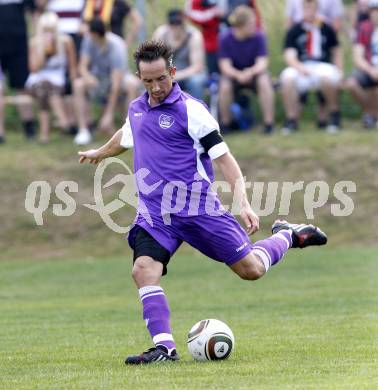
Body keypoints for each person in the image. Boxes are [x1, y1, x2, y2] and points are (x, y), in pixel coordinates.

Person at [78, 40, 328, 365]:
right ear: (139, 77)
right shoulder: (137, 108)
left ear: (173, 72)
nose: (155, 87)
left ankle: (288, 235)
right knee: (143, 271)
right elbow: (126, 136)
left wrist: (245, 204)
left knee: (251, 270)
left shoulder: (192, 110)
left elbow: (225, 160)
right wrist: (99, 152)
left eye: (161, 79)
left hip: (199, 210)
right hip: (157, 215)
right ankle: (164, 349)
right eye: (148, 80)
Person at [73, 18, 140, 145]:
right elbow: (82, 66)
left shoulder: (117, 46)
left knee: (132, 84)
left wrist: (108, 115)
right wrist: (87, 76)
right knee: (78, 85)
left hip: (119, 78)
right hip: (98, 77)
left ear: (95, 34)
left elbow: (115, 84)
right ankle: (83, 130)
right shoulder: (88, 40)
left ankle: (129, 130)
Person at [280, 0, 343, 134]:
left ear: (317, 9)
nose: (309, 12)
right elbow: (289, 55)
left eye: (312, 8)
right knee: (287, 77)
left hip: (322, 64)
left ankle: (334, 114)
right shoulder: (295, 29)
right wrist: (299, 67)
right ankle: (291, 119)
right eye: (306, 8)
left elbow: (336, 49)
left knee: (326, 77)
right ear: (302, 9)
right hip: (301, 65)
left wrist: (339, 69)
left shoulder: (326, 27)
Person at [218, 5, 275, 134]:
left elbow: (262, 63)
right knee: (224, 85)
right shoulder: (225, 38)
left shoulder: (259, 36)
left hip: (254, 74)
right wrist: (238, 75)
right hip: (234, 75)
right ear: (241, 26)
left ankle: (269, 124)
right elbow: (225, 66)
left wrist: (250, 72)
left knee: (264, 81)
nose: (255, 26)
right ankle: (226, 125)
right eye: (251, 24)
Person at [26, 12, 77, 143]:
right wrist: (45, 54)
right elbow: (33, 69)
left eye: (51, 30)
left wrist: (72, 84)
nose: (48, 33)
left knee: (45, 90)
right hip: (37, 80)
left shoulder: (66, 42)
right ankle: (63, 121)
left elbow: (72, 67)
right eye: (45, 30)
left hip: (57, 81)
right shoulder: (34, 43)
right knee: (44, 86)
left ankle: (45, 134)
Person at [0, 0, 36, 139]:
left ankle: (29, 127)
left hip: (19, 45)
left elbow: (33, 13)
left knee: (22, 86)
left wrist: (36, 39)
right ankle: (1, 132)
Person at [153, 9, 207, 100]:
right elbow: (154, 61)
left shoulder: (194, 36)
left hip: (189, 75)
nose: (175, 26)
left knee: (196, 81)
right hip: (167, 74)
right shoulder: (160, 34)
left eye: (178, 22)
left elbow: (197, 67)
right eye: (172, 23)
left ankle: (197, 110)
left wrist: (175, 76)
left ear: (184, 23)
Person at [346, 0, 378, 128]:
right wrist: (371, 70)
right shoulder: (364, 28)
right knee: (351, 83)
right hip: (368, 68)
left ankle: (371, 116)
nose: (376, 14)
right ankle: (371, 112)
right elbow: (358, 57)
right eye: (374, 11)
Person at [185, 0, 226, 74]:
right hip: (208, 44)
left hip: (230, 43)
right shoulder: (196, 2)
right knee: (212, 74)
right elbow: (191, 14)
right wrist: (213, 12)